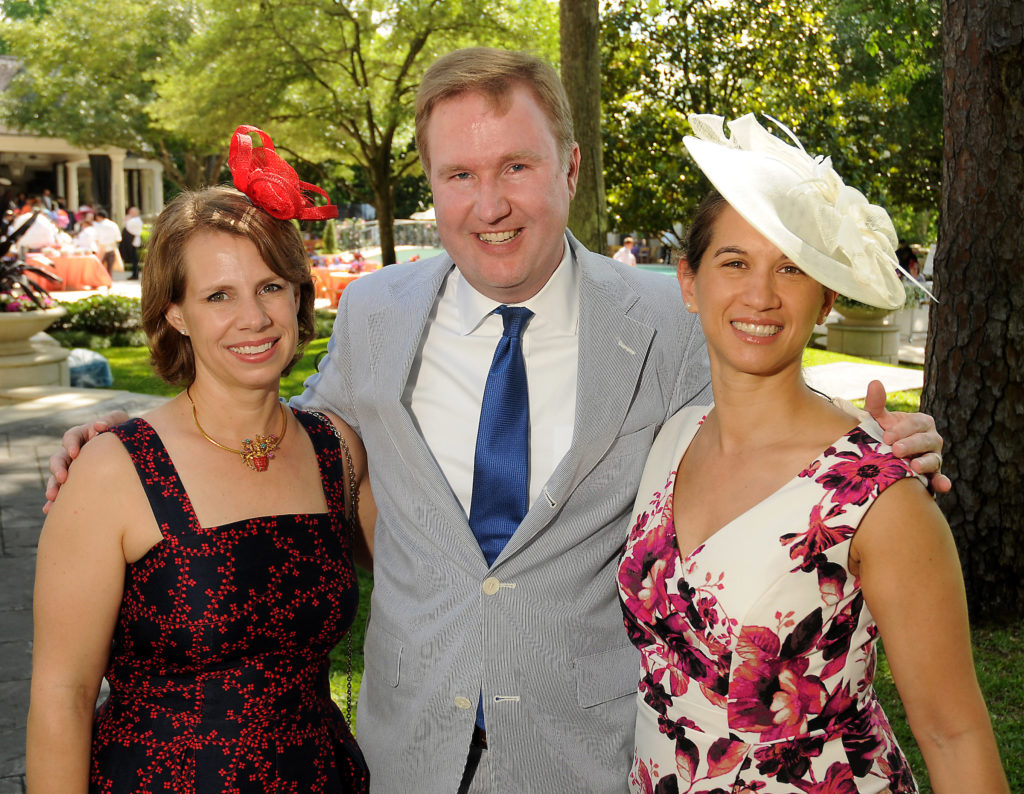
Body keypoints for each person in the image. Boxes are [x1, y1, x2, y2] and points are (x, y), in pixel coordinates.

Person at [45, 49, 945, 794]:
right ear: (431, 183)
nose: (490, 204)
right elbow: (279, 434)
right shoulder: (375, 312)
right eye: (460, 175)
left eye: (516, 166)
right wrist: (128, 443)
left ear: (569, 168)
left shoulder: (672, 324)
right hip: (403, 757)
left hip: (591, 757)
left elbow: (769, 427)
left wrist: (887, 446)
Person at [619, 113, 1007, 793]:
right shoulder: (671, 439)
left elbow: (955, 732)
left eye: (791, 268)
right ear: (689, 282)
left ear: (825, 297)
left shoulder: (878, 495)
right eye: (734, 262)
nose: (760, 295)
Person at [27, 128, 373, 793]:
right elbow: (61, 698)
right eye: (219, 296)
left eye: (271, 286)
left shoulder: (336, 450)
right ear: (176, 313)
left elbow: (436, 586)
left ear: (300, 293)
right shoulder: (114, 470)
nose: (255, 318)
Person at [92, 207, 122, 273]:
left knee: (100, 268)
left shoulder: (97, 225)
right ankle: (109, 280)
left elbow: (95, 237)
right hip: (111, 248)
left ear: (98, 217)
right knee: (109, 268)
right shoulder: (113, 224)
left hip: (101, 248)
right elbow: (118, 238)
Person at [120, 205, 144, 279]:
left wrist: (127, 219)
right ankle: (134, 274)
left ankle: (135, 274)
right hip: (132, 241)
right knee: (134, 259)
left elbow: (128, 226)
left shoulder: (136, 220)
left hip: (133, 241)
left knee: (134, 259)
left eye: (132, 212)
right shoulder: (134, 220)